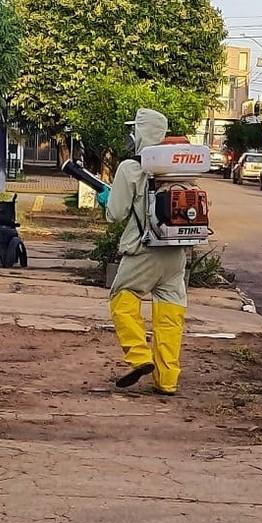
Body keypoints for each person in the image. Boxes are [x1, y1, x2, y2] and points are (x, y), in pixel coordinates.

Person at [97, 108, 186, 396]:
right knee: (170, 317)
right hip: (175, 253)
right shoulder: (180, 168)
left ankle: (139, 356)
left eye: (134, 130)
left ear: (141, 133)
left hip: (144, 250)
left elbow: (116, 213)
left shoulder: (132, 168)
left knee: (122, 298)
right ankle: (167, 380)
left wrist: (107, 198)